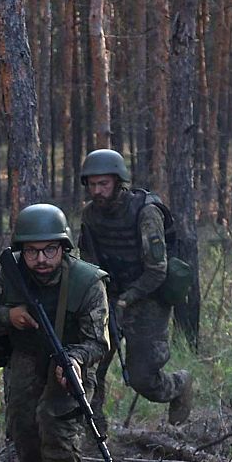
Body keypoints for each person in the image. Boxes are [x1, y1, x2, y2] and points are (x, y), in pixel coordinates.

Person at [0, 204, 111, 462]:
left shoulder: (87, 281)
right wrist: (9, 316)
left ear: (64, 248)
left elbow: (99, 342)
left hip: (69, 364)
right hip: (24, 360)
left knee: (55, 422)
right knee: (25, 432)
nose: (41, 259)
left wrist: (75, 360)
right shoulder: (9, 275)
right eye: (32, 251)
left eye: (50, 250)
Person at [75, 148, 194, 426]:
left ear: (118, 182)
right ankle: (95, 427)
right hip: (109, 297)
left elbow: (157, 270)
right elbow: (89, 263)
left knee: (142, 378)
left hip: (148, 296)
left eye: (103, 184)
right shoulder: (91, 215)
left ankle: (179, 385)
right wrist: (99, 299)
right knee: (90, 367)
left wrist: (126, 299)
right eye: (92, 185)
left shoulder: (145, 212)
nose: (98, 190)